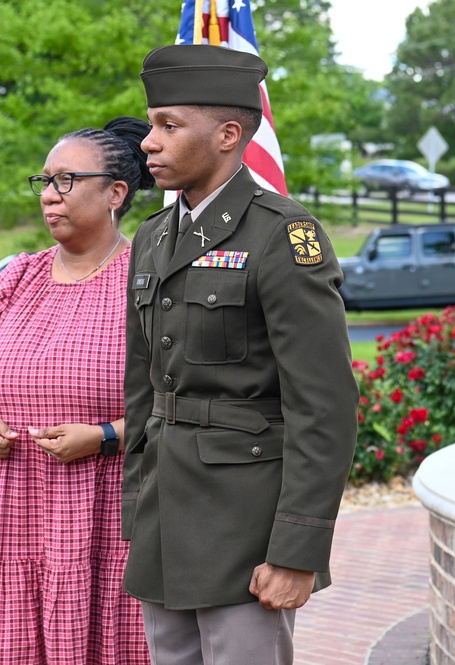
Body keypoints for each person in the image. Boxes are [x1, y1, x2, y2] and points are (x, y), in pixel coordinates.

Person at [122, 44, 360, 664]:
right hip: (164, 517)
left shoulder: (282, 235)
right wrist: (135, 512)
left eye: (169, 125)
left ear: (229, 134)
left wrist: (297, 550)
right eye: (152, 124)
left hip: (246, 528)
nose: (149, 141)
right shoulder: (151, 237)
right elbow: (144, 390)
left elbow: (324, 407)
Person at [0, 117, 155, 665]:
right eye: (43, 181)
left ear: (116, 193)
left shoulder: (148, 279)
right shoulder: (18, 277)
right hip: (17, 513)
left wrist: (106, 436)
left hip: (110, 516)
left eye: (65, 181)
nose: (48, 195)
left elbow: (180, 401)